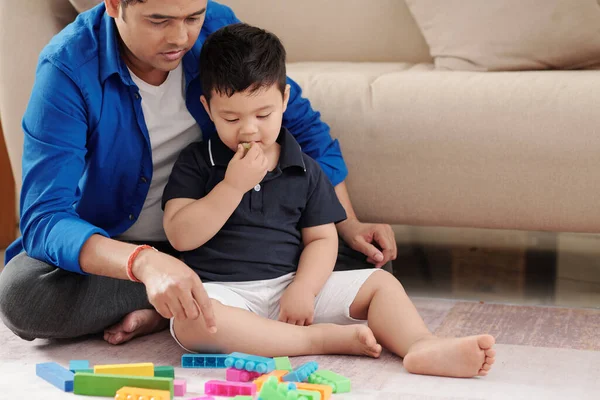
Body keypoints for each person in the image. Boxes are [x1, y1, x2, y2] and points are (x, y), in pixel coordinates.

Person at [0, 0, 396, 345]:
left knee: (372, 262)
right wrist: (145, 263)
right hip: (125, 251)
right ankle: (178, 298)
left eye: (193, 16)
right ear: (114, 3)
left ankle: (180, 307)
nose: (181, 37)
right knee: (23, 295)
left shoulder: (217, 31)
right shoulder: (68, 69)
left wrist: (349, 223)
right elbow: (44, 217)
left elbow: (302, 127)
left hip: (231, 245)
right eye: (160, 20)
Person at [163, 23, 496, 378]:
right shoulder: (197, 161)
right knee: (190, 322)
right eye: (231, 117)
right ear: (207, 107)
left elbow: (322, 239)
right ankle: (316, 340)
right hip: (225, 294)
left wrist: (304, 289)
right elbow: (181, 236)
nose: (249, 129)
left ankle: (421, 345)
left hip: (292, 287)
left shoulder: (303, 167)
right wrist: (232, 186)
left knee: (382, 284)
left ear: (285, 100)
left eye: (263, 115)